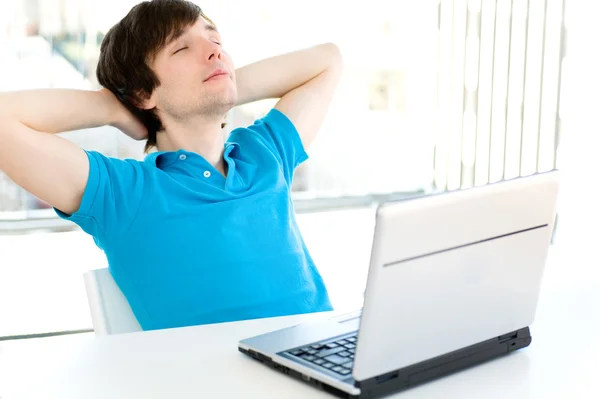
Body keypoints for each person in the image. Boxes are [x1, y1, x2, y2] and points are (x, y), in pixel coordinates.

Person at [0, 0, 343, 330]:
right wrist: (113, 108)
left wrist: (225, 83)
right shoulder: (122, 193)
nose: (215, 51)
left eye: (215, 40)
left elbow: (329, 58)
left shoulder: (265, 152)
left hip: (325, 358)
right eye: (182, 49)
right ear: (140, 94)